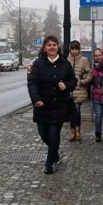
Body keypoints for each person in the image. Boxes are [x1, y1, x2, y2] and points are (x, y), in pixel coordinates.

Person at [27, 35, 77, 175]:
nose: (52, 47)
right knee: (44, 134)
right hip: (42, 106)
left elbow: (73, 81)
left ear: (58, 47)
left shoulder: (65, 63)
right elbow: (32, 83)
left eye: (54, 44)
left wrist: (66, 85)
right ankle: (54, 152)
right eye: (49, 45)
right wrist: (36, 99)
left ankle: (49, 163)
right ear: (44, 48)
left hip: (59, 106)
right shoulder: (38, 63)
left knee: (54, 133)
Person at [67, 40, 93, 142]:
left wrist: (82, 82)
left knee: (77, 109)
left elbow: (90, 73)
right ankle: (72, 131)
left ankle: (78, 131)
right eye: (72, 49)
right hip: (68, 90)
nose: (74, 51)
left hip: (79, 90)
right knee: (71, 111)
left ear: (79, 49)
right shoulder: (66, 60)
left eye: (76, 49)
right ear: (70, 49)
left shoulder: (84, 60)